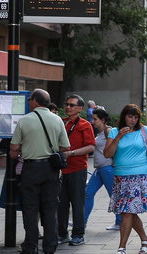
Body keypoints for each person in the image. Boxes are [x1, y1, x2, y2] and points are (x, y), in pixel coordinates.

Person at [9, 89, 71, 254]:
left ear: (36, 101)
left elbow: (13, 151)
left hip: (30, 169)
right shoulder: (57, 120)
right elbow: (65, 147)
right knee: (50, 209)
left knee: (30, 209)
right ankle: (50, 247)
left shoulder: (24, 121)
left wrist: (26, 147)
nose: (29, 102)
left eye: (30, 99)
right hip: (51, 169)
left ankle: (30, 246)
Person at [105, 104, 147, 254]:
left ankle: (122, 248)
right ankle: (145, 239)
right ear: (124, 117)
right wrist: (118, 137)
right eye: (129, 116)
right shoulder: (113, 132)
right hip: (121, 177)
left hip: (139, 176)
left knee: (127, 212)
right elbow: (107, 154)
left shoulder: (144, 131)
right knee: (129, 211)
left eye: (135, 117)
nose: (132, 120)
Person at [57, 94, 96, 246]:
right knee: (61, 204)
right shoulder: (62, 122)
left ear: (80, 108)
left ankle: (78, 234)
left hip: (77, 169)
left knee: (77, 203)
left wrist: (71, 153)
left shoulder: (85, 125)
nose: (68, 107)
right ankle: (62, 233)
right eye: (66, 104)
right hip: (61, 169)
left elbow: (91, 147)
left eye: (72, 105)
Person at [84, 108, 122, 231]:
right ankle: (82, 221)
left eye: (95, 119)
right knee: (88, 193)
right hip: (99, 169)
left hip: (107, 169)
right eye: (92, 119)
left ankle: (120, 222)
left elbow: (117, 147)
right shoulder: (100, 133)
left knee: (114, 195)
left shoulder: (108, 131)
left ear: (103, 120)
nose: (93, 122)